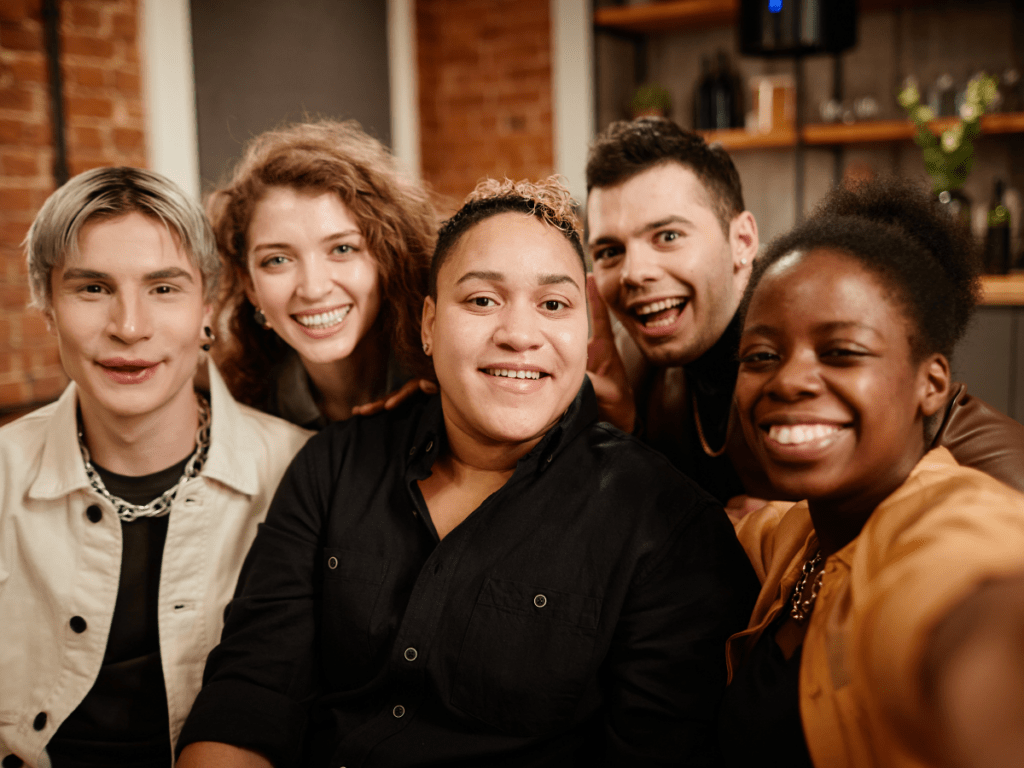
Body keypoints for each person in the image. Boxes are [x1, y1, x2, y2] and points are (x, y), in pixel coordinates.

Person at [175, 177, 758, 767]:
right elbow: (250, 694)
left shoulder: (666, 526)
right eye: (482, 300)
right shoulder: (335, 463)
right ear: (428, 325)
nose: (518, 334)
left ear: (585, 333)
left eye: (553, 305)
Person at [0, 167, 310, 768]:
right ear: (47, 308)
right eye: (92, 289)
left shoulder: (300, 472)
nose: (130, 326)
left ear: (208, 307)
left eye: (164, 288)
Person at [718, 178, 1024, 768]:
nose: (789, 380)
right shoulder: (804, 534)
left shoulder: (948, 522)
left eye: (841, 352)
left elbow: (972, 598)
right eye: (761, 356)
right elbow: (742, 523)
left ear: (930, 384)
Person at [584, 117, 1024, 505]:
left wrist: (801, 526)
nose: (634, 273)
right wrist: (618, 434)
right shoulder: (627, 369)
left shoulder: (940, 427)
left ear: (742, 242)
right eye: (608, 250)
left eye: (667, 236)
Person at [208, 119, 436, 428]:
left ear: (389, 257)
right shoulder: (241, 413)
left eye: (342, 249)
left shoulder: (447, 387)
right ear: (250, 285)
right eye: (277, 260)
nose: (313, 289)